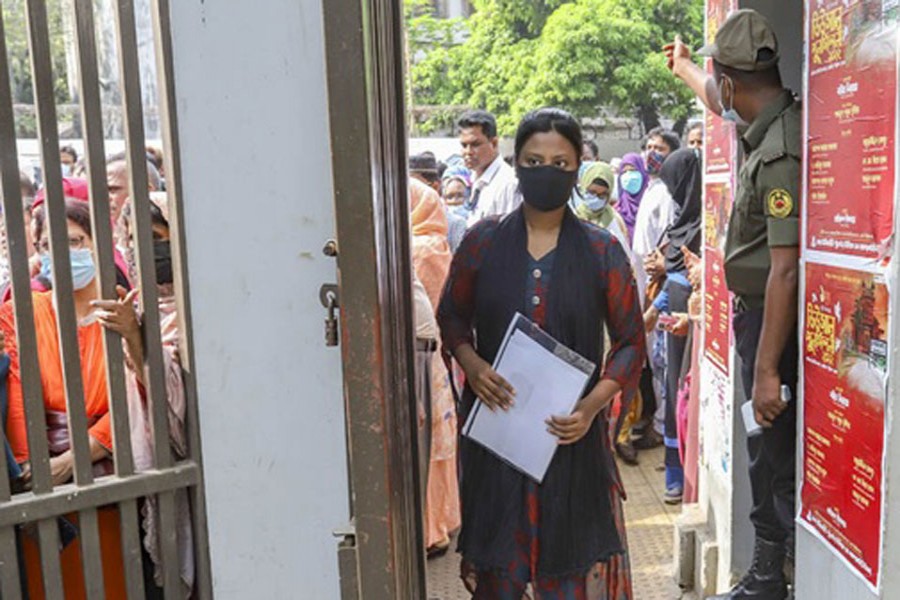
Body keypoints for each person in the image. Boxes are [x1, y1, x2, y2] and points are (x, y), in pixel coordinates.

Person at [438, 107, 644, 598]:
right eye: (533, 161)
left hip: (569, 440)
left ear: (576, 169)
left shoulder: (601, 252)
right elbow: (452, 316)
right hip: (499, 434)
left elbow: (631, 341)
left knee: (567, 567)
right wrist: (473, 365)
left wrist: (591, 407)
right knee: (502, 569)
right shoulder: (482, 242)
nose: (545, 172)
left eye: (558, 162)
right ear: (516, 162)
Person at [667, 9, 800, 599]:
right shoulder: (760, 118)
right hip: (754, 320)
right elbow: (715, 99)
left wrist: (768, 369)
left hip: (771, 327)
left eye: (715, 79)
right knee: (760, 446)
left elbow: (785, 266)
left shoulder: (779, 153)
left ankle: (772, 575)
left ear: (733, 80)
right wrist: (686, 68)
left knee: (770, 450)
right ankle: (770, 568)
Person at [110, 191, 194, 597]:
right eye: (135, 237)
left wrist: (135, 340)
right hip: (150, 477)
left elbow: (177, 406)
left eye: (158, 236)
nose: (149, 249)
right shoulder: (138, 306)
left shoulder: (200, 307)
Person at [643, 149, 703, 505]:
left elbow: (684, 274)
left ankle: (686, 474)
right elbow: (674, 280)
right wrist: (655, 307)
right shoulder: (681, 222)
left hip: (694, 322)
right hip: (674, 320)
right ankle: (673, 474)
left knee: (685, 393)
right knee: (671, 390)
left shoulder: (705, 224)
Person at [409, 179, 461, 558]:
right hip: (435, 356)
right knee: (438, 439)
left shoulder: (417, 248)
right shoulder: (438, 242)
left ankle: (430, 529)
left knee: (425, 440)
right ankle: (439, 525)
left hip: (419, 357)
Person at [577, 162, 642, 466]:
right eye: (591, 192)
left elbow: (625, 266)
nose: (595, 199)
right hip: (579, 311)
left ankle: (620, 435)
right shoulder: (570, 219)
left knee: (614, 373)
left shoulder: (613, 222)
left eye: (602, 194)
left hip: (608, 311)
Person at [457, 109, 521, 226]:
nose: (468, 152)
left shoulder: (508, 184)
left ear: (494, 143)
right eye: (464, 145)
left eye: (475, 145)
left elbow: (511, 236)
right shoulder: (474, 180)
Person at [616, 153, 649, 242]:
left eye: (633, 170)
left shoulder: (652, 206)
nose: (629, 175)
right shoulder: (616, 212)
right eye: (624, 172)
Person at [440, 166, 473, 253]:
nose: (455, 201)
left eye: (460, 196)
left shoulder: (474, 217)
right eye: (450, 197)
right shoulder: (441, 222)